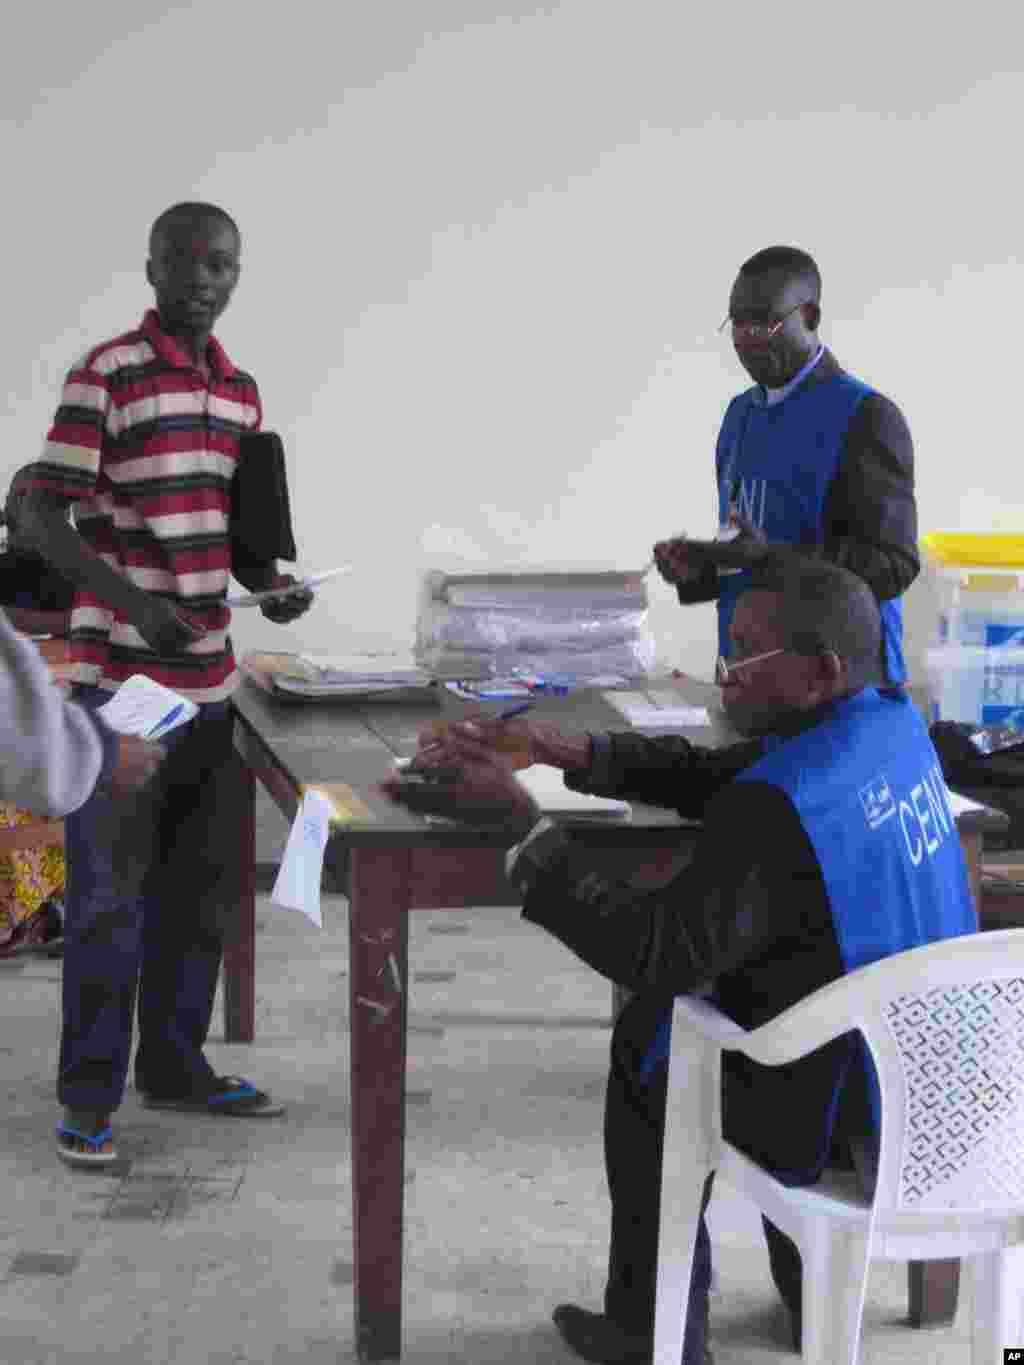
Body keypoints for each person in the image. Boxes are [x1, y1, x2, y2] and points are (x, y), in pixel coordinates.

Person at [381, 554, 976, 1365]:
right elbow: (722, 776)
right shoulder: (889, 726)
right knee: (770, 993)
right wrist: (569, 751)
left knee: (651, 1042)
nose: (724, 675)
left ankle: (648, 1331)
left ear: (820, 671)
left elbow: (655, 949)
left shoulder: (776, 809)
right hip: (945, 1085)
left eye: (744, 656)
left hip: (850, 1113)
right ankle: (809, 1301)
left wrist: (522, 826)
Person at [19, 201, 314, 1170]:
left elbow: (236, 536)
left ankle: (176, 1067)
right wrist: (131, 604)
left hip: (212, 686)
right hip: (120, 690)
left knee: (200, 895)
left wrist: (270, 587)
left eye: (222, 263)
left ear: (240, 273)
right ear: (151, 267)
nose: (204, 278)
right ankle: (87, 1097)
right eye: (186, 261)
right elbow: (44, 521)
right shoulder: (105, 374)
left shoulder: (239, 392)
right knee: (108, 899)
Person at [653, 245, 918, 688]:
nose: (745, 338)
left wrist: (769, 556)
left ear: (809, 317)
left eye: (762, 322)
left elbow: (893, 567)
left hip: (836, 689)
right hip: (749, 680)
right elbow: (751, 551)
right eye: (736, 322)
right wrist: (700, 569)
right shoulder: (741, 416)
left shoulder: (867, 417)